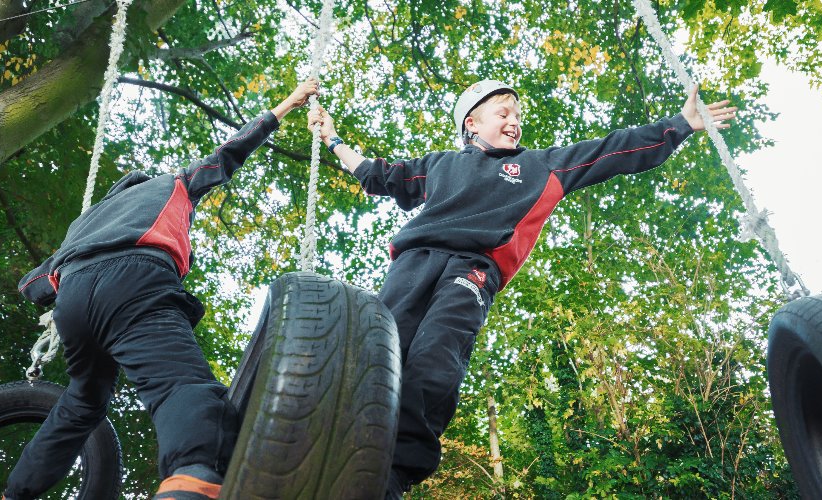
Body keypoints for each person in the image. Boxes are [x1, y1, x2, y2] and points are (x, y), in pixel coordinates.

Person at [308, 79, 736, 497]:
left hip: (472, 270)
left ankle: (393, 475)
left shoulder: (538, 165)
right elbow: (376, 175)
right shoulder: (440, 165)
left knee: (436, 356)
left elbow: (611, 150)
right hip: (413, 263)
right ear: (471, 124)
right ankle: (337, 452)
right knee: (381, 355)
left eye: (517, 114)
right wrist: (331, 139)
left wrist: (678, 125)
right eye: (503, 112)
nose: (514, 121)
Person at [4, 78, 320, 500]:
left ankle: (17, 493)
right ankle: (194, 476)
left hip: (74, 296)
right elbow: (231, 150)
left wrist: (58, 297)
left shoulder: (84, 223)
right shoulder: (174, 182)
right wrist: (288, 103)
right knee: (175, 383)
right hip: (134, 277)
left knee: (84, 401)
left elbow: (33, 284)